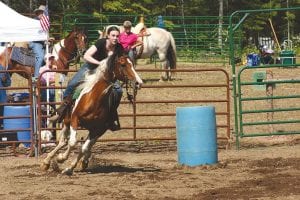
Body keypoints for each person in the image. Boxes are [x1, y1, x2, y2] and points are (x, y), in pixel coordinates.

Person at [49, 26, 124, 131]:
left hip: (105, 74)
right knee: (72, 84)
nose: (115, 38)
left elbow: (122, 62)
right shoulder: (101, 43)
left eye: (117, 36)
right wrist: (99, 63)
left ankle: (111, 116)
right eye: (113, 35)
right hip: (90, 67)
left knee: (118, 91)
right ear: (108, 36)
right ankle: (63, 110)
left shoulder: (119, 48)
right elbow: (86, 55)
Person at [29, 5, 46, 78]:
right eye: (39, 13)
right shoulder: (35, 22)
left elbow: (44, 34)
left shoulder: (44, 22)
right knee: (41, 57)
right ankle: (36, 77)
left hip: (41, 42)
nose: (41, 14)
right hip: (35, 42)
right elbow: (36, 36)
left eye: (42, 13)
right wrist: (45, 39)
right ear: (37, 13)